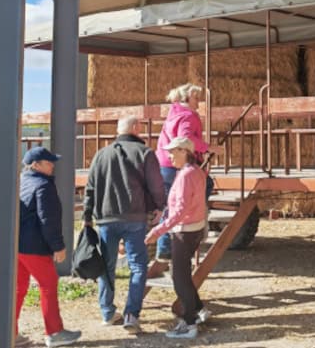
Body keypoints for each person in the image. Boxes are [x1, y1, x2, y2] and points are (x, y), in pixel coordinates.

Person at [83, 116, 165, 334]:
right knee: (138, 266)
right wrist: (160, 206)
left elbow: (90, 188)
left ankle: (107, 313)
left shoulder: (101, 154)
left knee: (107, 265)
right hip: (135, 217)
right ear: (136, 128)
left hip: (106, 218)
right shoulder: (145, 153)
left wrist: (86, 216)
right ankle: (131, 315)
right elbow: (156, 185)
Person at [15, 147, 81, 348]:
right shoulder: (44, 185)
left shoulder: (21, 182)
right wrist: (58, 246)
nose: (53, 165)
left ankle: (9, 332)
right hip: (36, 247)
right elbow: (48, 220)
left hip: (18, 247)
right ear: (36, 165)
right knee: (48, 285)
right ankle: (54, 332)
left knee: (18, 289)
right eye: (48, 162)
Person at [145, 137, 211, 340]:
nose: (169, 155)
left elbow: (180, 210)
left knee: (179, 279)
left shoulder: (185, 175)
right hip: (193, 228)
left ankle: (189, 324)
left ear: (184, 152)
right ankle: (198, 310)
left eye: (173, 151)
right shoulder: (196, 172)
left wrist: (158, 231)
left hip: (184, 231)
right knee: (182, 276)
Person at [154, 83, 221, 262]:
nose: (198, 101)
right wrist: (208, 147)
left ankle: (165, 247)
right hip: (177, 162)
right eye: (196, 98)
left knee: (171, 204)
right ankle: (193, 223)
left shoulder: (173, 113)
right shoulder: (188, 116)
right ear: (187, 98)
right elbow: (186, 138)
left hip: (164, 162)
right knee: (203, 186)